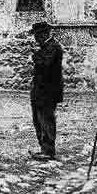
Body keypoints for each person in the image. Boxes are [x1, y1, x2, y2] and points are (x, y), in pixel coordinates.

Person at [29, 21, 63, 161]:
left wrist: (35, 56)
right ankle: (44, 147)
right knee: (38, 119)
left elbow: (45, 64)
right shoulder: (46, 47)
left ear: (44, 34)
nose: (36, 39)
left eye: (37, 36)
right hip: (40, 90)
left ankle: (48, 150)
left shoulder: (53, 47)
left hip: (48, 92)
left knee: (46, 119)